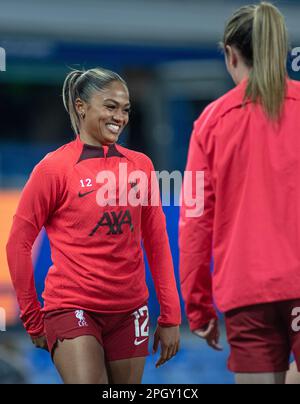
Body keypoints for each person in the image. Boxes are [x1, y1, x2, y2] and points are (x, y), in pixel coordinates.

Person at [6, 67, 181, 384]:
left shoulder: (140, 166)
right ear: (80, 106)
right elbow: (17, 243)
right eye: (111, 107)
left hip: (130, 312)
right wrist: (32, 317)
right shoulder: (54, 168)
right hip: (72, 307)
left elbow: (157, 244)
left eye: (126, 109)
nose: (120, 117)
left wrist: (171, 316)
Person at [179, 2, 300, 384]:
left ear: (231, 55)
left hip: (248, 294)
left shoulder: (211, 123)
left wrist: (198, 310)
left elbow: (194, 226)